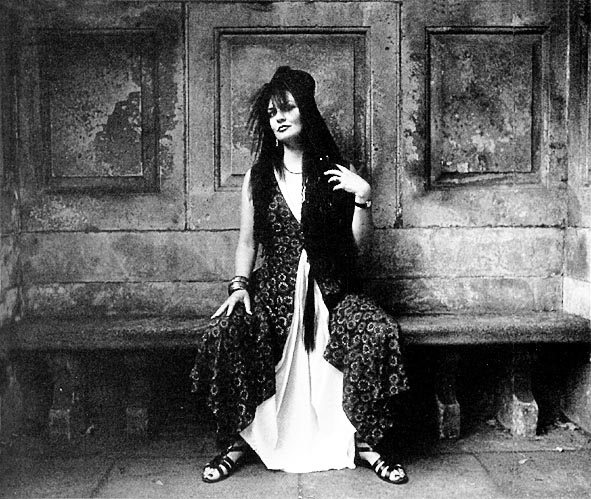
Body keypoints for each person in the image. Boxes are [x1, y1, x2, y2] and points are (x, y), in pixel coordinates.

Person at [190, 66, 409, 485]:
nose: (279, 118)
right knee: (227, 330)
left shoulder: (336, 171)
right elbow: (247, 243)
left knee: (377, 330)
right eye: (272, 112)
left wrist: (363, 198)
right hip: (275, 292)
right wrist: (239, 286)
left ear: (306, 110)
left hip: (331, 292)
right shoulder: (258, 177)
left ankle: (367, 442)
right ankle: (237, 441)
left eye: (287, 108)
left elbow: (359, 249)